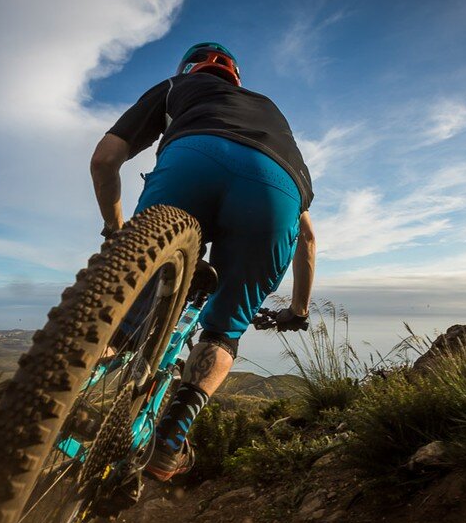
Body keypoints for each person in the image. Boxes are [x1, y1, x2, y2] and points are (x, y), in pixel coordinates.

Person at [90, 41, 316, 482]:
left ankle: (76, 375)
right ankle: (171, 438)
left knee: (133, 305)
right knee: (222, 330)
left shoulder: (178, 87)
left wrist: (118, 234)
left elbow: (104, 159)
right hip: (276, 188)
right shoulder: (271, 113)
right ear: (237, 78)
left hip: (192, 161)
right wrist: (298, 311)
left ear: (191, 69)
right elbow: (307, 238)